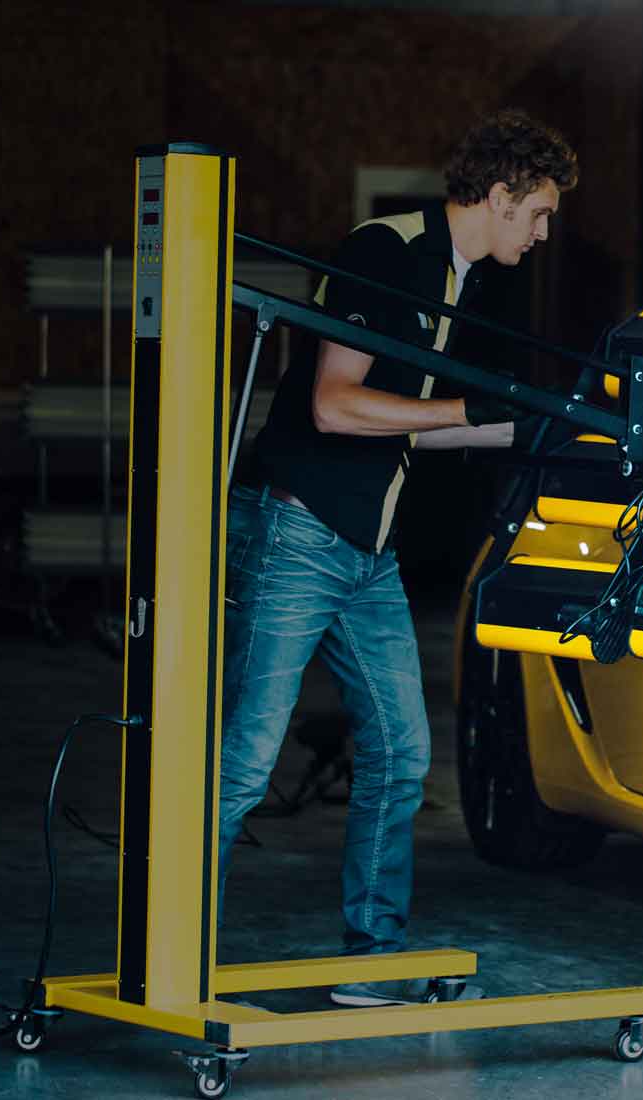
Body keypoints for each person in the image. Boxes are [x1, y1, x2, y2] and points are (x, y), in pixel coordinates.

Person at [219, 108, 578, 1007]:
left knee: (403, 752)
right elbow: (337, 408)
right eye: (535, 214)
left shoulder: (457, 278)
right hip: (299, 532)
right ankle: (166, 948)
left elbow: (404, 429)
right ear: (497, 196)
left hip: (365, 553)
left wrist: (515, 426)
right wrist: (469, 413)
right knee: (245, 760)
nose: (540, 236)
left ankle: (372, 960)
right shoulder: (385, 252)